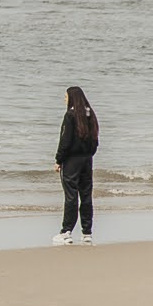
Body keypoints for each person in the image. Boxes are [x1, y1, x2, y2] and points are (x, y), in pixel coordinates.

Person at [52, 85, 99, 246]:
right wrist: (89, 154)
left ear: (72, 98)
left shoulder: (70, 115)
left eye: (65, 97)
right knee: (86, 195)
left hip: (72, 161)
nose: (64, 100)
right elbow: (95, 139)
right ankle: (87, 233)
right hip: (87, 160)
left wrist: (58, 160)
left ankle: (66, 232)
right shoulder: (90, 114)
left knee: (71, 196)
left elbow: (65, 141)